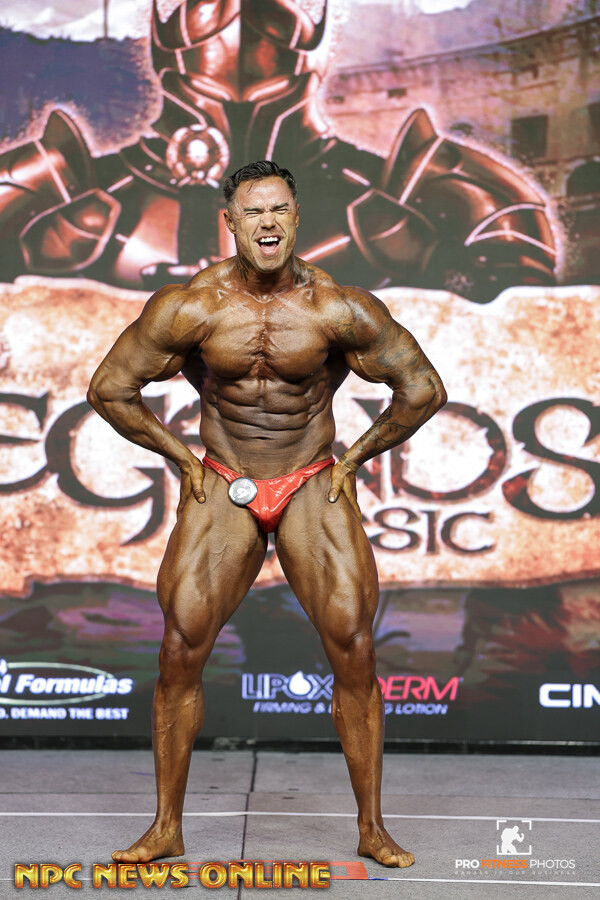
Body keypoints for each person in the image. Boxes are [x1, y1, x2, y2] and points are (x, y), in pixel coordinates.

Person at [87, 159, 447, 868]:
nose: (268, 222)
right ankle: (166, 828)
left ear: (297, 217)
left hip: (310, 478)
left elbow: (422, 388)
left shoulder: (337, 307)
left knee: (354, 646)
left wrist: (355, 458)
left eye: (279, 209)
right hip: (226, 477)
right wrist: (180, 457)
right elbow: (110, 388)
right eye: (254, 211)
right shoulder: (190, 307)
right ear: (231, 221)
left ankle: (372, 828)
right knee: (180, 647)